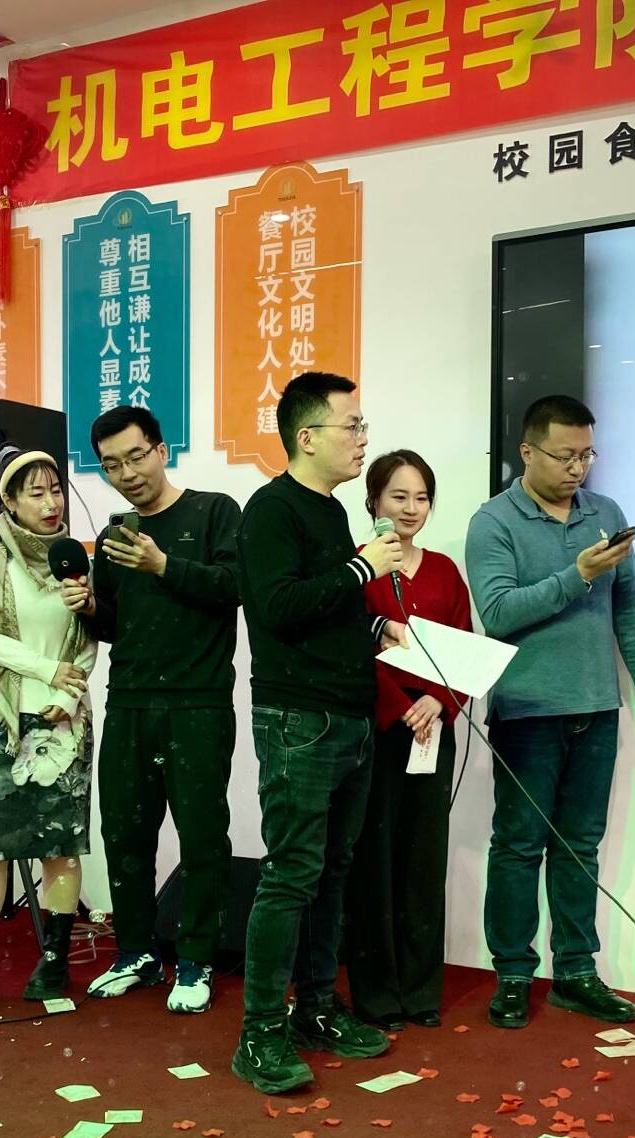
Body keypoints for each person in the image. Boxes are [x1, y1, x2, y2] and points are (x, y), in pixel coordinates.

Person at [465, 395, 635, 1029]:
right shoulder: (493, 522)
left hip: (597, 708)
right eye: (564, 456)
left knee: (581, 846)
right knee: (519, 846)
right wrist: (575, 574)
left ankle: (577, 973)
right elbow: (498, 612)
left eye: (586, 455)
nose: (578, 468)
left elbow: (631, 611)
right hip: (528, 712)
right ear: (527, 452)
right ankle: (511, 974)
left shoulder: (604, 514)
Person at [231, 371, 407, 1094]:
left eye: (363, 426)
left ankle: (316, 1010)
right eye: (352, 426)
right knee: (291, 874)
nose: (363, 439)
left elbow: (324, 607)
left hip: (350, 714)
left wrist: (374, 623)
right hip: (299, 718)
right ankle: (259, 1032)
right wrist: (364, 567)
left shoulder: (331, 512)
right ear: (307, 437)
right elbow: (275, 607)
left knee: (333, 870)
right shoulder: (271, 510)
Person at [59, 406, 240, 1013]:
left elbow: (234, 588)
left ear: (161, 450)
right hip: (130, 701)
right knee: (124, 832)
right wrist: (89, 606)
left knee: (202, 837)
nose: (127, 474)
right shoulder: (115, 535)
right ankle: (135, 951)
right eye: (112, 465)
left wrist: (164, 564)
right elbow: (116, 624)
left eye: (136, 457)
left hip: (198, 703)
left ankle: (196, 958)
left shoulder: (215, 511)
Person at [0, 446, 96, 1015]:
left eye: (56, 490)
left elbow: (87, 639)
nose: (51, 503)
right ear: (9, 500)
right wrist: (44, 669)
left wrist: (66, 692)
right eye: (36, 493)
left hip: (64, 718)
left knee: (60, 846)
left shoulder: (72, 558)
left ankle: (53, 963)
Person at [344, 450, 472, 1031]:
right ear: (374, 501)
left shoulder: (444, 570)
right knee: (374, 863)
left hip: (434, 731)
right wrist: (400, 708)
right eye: (399, 496)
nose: (411, 508)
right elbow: (351, 647)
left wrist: (439, 702)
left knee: (424, 861)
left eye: (421, 497)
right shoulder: (357, 568)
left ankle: (421, 993)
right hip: (378, 732)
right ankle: (377, 997)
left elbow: (464, 648)